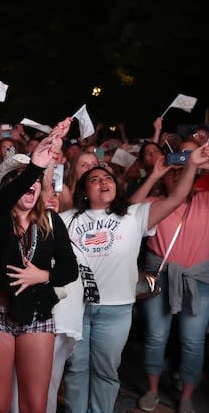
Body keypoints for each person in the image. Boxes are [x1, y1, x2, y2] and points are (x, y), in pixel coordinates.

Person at [59, 141, 209, 413]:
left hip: (115, 311)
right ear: (83, 189)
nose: (103, 181)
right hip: (75, 310)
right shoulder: (67, 219)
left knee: (106, 372)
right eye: (94, 179)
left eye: (108, 178)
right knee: (76, 370)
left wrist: (192, 165)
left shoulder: (133, 215)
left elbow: (176, 198)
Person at [0, 124, 78, 413]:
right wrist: (34, 168)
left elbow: (70, 270)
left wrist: (42, 275)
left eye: (35, 184)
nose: (31, 187)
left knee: (35, 405)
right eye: (22, 181)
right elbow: (1, 202)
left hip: (38, 314)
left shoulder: (50, 221)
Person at [129, 141, 209, 413]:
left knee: (193, 340)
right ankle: (152, 391)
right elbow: (124, 213)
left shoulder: (205, 199)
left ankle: (186, 394)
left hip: (199, 281)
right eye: (175, 171)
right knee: (155, 336)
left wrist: (201, 163)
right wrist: (154, 174)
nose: (179, 175)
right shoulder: (154, 204)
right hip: (159, 278)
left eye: (185, 171)